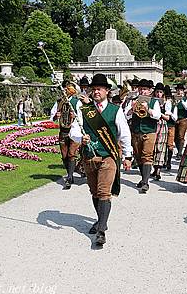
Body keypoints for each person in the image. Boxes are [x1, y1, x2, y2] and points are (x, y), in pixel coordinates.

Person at [80, 73, 132, 246]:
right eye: (93, 89)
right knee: (94, 192)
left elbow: (124, 134)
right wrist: (81, 138)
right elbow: (74, 130)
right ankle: (101, 220)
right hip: (89, 157)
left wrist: (128, 155)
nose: (96, 92)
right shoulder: (84, 110)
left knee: (104, 192)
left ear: (107, 91)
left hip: (108, 156)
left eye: (99, 89)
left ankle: (101, 230)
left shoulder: (115, 111)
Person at [129, 79, 161, 193]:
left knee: (147, 155)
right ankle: (143, 179)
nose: (143, 91)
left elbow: (157, 116)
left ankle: (146, 183)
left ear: (149, 91)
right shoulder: (133, 100)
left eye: (145, 89)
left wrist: (147, 109)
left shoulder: (154, 102)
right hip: (136, 131)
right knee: (138, 157)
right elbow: (125, 116)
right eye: (141, 89)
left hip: (149, 132)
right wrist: (131, 109)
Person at [50, 81, 83, 189]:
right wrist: (56, 115)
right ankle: (70, 174)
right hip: (63, 130)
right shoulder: (59, 101)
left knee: (71, 154)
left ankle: (69, 177)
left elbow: (82, 117)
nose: (66, 90)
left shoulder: (77, 102)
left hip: (74, 130)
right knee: (64, 156)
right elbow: (52, 116)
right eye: (65, 88)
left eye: (68, 89)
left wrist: (75, 115)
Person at [173, 83, 187, 157]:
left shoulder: (186, 99)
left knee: (181, 136)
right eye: (178, 90)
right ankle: (178, 150)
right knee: (175, 137)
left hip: (183, 119)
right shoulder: (174, 98)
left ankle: (180, 152)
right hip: (175, 119)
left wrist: (182, 100)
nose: (179, 92)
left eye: (181, 90)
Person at [163, 85, 176, 170]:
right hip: (162, 125)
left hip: (171, 126)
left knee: (170, 145)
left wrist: (170, 113)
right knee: (162, 144)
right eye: (166, 97)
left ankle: (169, 162)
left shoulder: (173, 106)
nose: (167, 99)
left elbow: (175, 118)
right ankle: (162, 161)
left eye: (169, 97)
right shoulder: (160, 104)